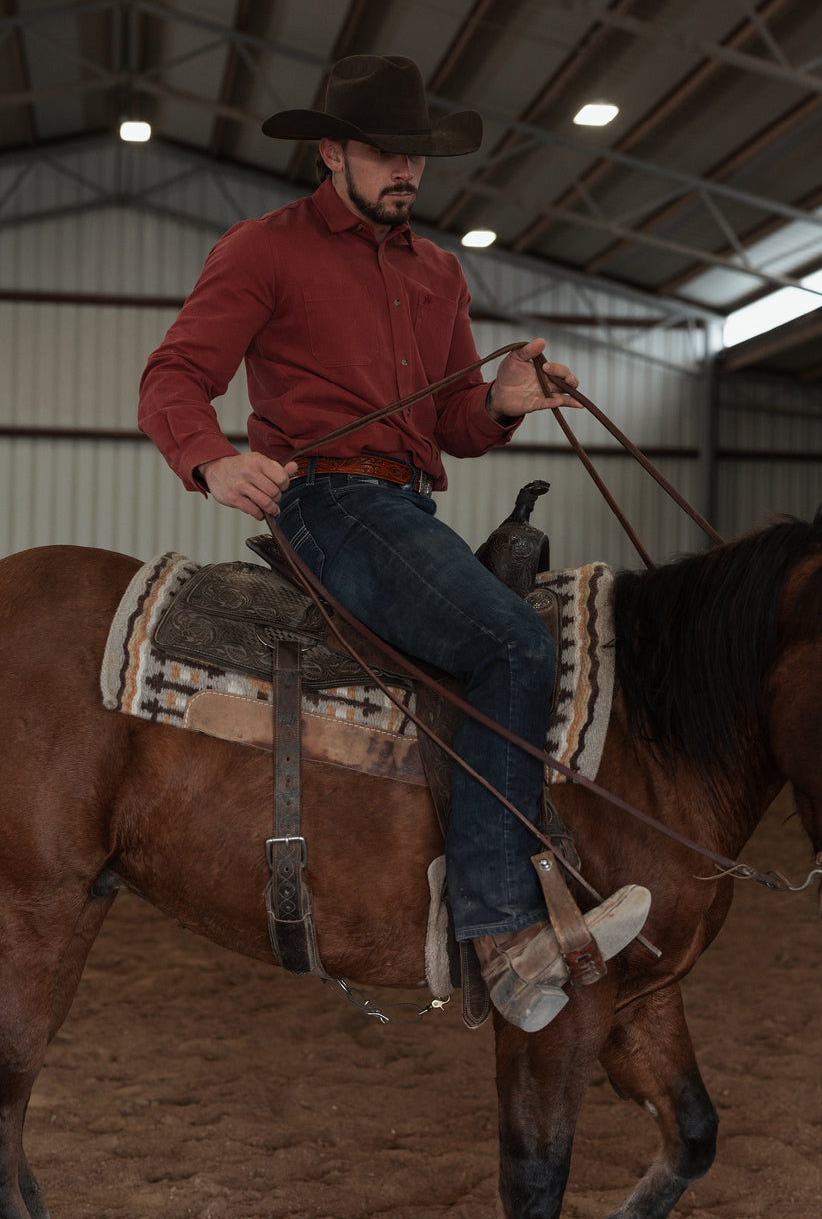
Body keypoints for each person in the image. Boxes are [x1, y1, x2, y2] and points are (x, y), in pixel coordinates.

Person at [138, 54, 649, 1033]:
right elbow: (173, 376)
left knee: (528, 640)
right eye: (382, 151)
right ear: (329, 152)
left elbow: (452, 419)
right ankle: (502, 930)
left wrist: (501, 404)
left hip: (407, 509)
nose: (403, 169)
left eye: (414, 153)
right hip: (326, 502)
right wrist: (209, 461)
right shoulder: (265, 249)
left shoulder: (437, 271)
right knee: (511, 643)